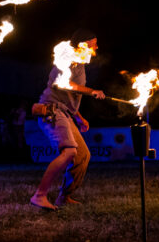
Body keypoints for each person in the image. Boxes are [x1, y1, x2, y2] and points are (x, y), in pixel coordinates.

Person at [30, 31, 106, 211]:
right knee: (70, 151)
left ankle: (64, 197)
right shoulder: (65, 58)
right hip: (51, 110)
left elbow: (68, 96)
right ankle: (39, 196)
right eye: (93, 43)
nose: (96, 47)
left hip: (64, 113)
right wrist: (91, 91)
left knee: (83, 155)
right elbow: (62, 84)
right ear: (83, 44)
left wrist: (78, 117)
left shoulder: (80, 64)